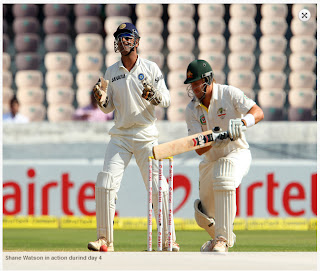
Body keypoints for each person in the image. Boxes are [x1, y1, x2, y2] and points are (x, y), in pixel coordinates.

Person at [87, 22, 179, 252]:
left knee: (159, 187)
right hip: (120, 136)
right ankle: (104, 239)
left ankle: (169, 240)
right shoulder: (111, 71)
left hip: (146, 135)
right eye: (119, 37)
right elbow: (108, 109)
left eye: (127, 37)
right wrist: (101, 99)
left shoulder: (150, 68)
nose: (123, 41)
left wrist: (154, 96)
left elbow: (166, 100)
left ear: (136, 41)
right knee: (106, 182)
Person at [184, 59, 264, 252]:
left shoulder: (229, 93)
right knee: (202, 216)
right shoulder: (191, 109)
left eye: (197, 83)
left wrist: (244, 123)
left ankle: (221, 239)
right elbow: (199, 149)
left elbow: (258, 112)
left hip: (237, 153)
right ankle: (219, 238)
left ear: (208, 79)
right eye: (191, 84)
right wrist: (213, 140)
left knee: (224, 176)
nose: (194, 88)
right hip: (210, 159)